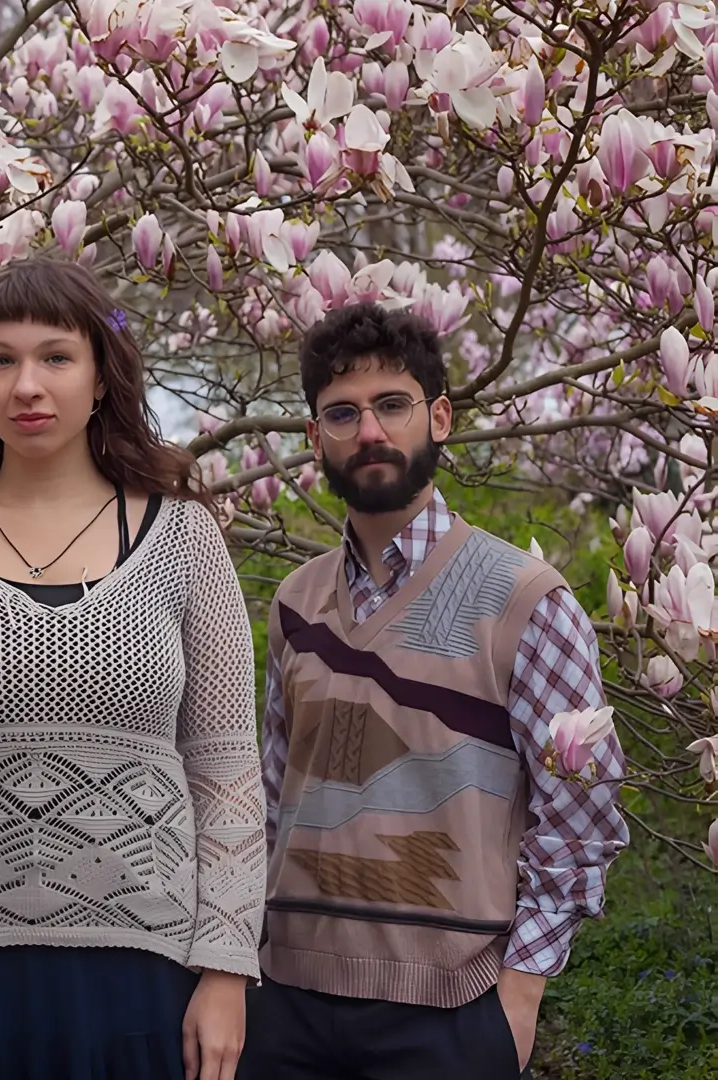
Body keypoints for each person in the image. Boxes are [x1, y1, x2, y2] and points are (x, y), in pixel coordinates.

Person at [0, 259, 263, 1080]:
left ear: (101, 377)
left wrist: (226, 969)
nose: (27, 385)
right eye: (1, 360)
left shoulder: (185, 538)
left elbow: (227, 771)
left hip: (148, 973)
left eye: (55, 357)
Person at [239, 303, 629, 1080]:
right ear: (315, 438)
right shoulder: (295, 602)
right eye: (342, 413)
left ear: (439, 418)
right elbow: (274, 798)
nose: (370, 431)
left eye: (392, 404)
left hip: (451, 1012)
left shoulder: (526, 599)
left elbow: (580, 816)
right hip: (284, 1004)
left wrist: (518, 999)